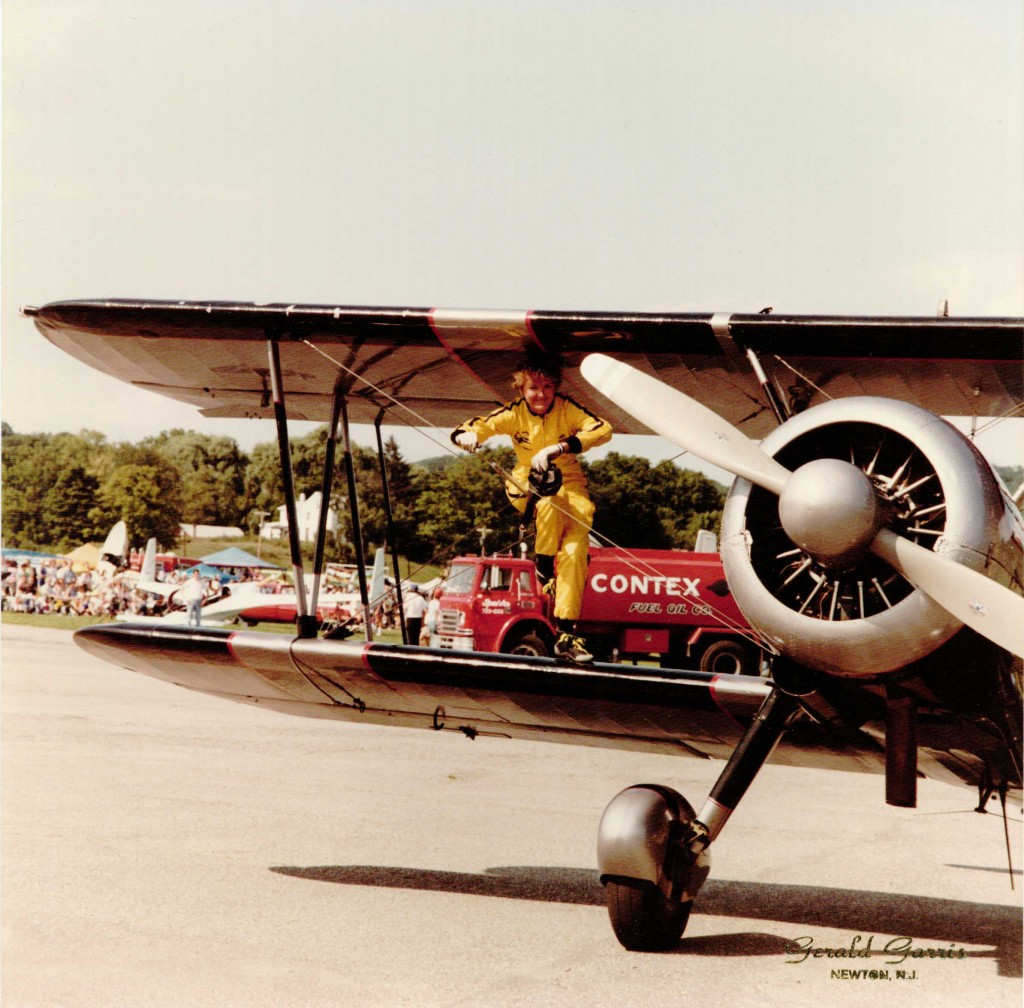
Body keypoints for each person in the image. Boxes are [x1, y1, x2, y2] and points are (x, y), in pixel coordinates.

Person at [451, 353, 612, 663]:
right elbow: (467, 429)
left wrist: (561, 447)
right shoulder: (513, 414)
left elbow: (602, 428)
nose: (541, 395)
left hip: (572, 483)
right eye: (534, 388)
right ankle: (544, 564)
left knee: (577, 553)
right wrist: (467, 437)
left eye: (548, 387)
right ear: (521, 390)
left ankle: (566, 635)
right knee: (550, 500)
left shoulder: (567, 409)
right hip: (527, 481)